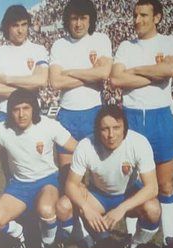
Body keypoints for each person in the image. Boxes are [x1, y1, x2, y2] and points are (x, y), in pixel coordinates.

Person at [110, 0, 173, 248]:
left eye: (144, 15)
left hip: (160, 116)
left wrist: (137, 71)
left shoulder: (169, 41)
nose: (137, 20)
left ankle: (169, 240)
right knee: (132, 183)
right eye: (135, 15)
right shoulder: (125, 46)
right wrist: (155, 73)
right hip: (131, 117)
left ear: (157, 18)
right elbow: (117, 78)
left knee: (164, 185)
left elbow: (171, 69)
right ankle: (132, 238)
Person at [0, 90, 76, 248]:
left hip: (47, 181)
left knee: (46, 210)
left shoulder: (48, 125)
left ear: (34, 108)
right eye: (16, 109)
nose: (21, 114)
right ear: (10, 112)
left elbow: (77, 148)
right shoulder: (1, 130)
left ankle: (48, 246)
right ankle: (21, 235)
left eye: (26, 108)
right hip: (19, 185)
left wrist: (80, 178)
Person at [65, 104, 160, 248]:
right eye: (105, 129)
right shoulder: (85, 145)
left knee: (153, 209)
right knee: (63, 206)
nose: (111, 135)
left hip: (128, 194)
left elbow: (152, 187)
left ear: (124, 128)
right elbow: (70, 184)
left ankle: (135, 245)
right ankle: (91, 244)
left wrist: (122, 208)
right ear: (97, 130)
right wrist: (86, 208)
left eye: (116, 128)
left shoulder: (139, 142)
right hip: (99, 196)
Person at [48, 0, 112, 146]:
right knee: (67, 167)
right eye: (74, 18)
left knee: (97, 165)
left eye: (83, 18)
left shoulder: (101, 40)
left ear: (90, 20)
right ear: (67, 20)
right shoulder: (59, 45)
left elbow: (103, 73)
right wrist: (91, 75)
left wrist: (70, 72)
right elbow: (56, 82)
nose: (78, 24)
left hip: (94, 111)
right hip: (67, 112)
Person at [0, 5, 48, 124]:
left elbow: (41, 80)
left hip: (32, 114)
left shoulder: (38, 50)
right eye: (15, 25)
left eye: (24, 24)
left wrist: (7, 79)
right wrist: (28, 88)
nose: (20, 30)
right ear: (7, 27)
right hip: (6, 113)